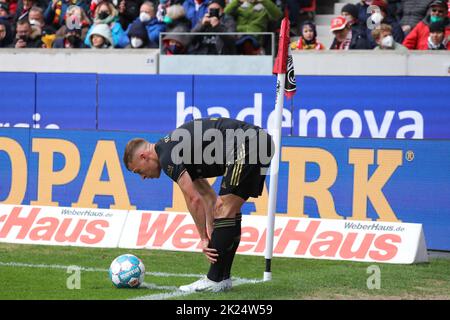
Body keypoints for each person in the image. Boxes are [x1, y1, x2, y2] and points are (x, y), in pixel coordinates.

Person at [123, 117, 274, 292]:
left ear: (144, 157)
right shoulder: (175, 148)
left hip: (248, 144)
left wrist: (203, 238)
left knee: (225, 209)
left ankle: (214, 279)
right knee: (227, 210)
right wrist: (211, 227)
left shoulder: (166, 156)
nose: (142, 177)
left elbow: (193, 199)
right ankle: (223, 277)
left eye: (138, 171)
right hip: (259, 142)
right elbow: (208, 197)